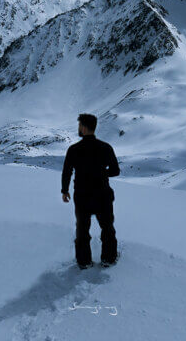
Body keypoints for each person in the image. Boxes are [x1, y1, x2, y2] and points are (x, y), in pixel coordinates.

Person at [61, 113, 120, 269]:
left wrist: (64, 190)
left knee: (82, 228)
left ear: (84, 127)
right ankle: (109, 258)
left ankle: (84, 261)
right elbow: (115, 171)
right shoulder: (105, 147)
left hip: (82, 195)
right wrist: (101, 173)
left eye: (80, 125)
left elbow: (67, 171)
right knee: (107, 227)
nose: (79, 128)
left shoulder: (74, 149)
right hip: (103, 194)